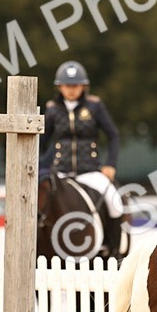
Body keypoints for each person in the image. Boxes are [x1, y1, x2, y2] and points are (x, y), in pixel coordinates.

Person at [39, 61, 124, 257]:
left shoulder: (94, 106)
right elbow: (42, 140)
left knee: (114, 202)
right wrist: (43, 166)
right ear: (60, 87)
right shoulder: (52, 109)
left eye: (75, 85)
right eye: (67, 86)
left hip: (90, 171)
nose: (71, 90)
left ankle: (114, 250)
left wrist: (110, 164)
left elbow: (113, 135)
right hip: (60, 173)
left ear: (83, 86)